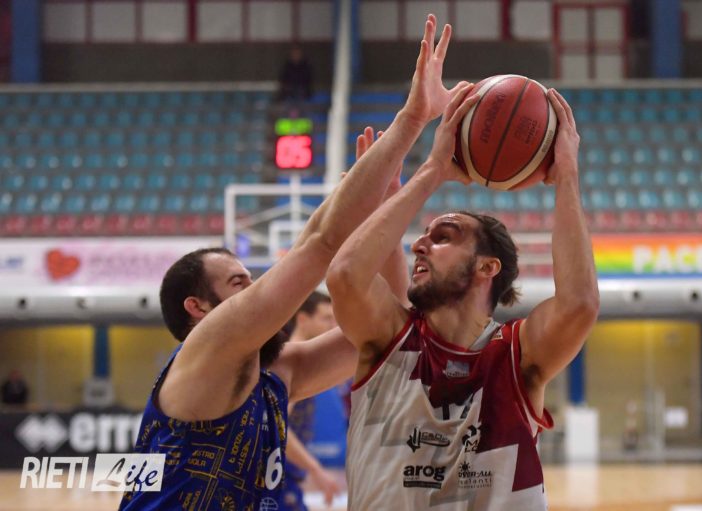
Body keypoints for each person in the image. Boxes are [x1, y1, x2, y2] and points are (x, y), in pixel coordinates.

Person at [119, 14, 461, 510]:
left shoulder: (277, 376)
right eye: (239, 284)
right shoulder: (207, 348)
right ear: (198, 308)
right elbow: (319, 244)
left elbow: (390, 331)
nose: (257, 290)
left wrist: (387, 208)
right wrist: (412, 121)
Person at [327, 86, 599, 509]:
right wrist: (432, 170)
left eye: (443, 237)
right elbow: (345, 276)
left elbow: (579, 304)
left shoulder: (516, 354)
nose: (419, 245)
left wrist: (566, 175)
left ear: (487, 267)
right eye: (423, 237)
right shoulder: (391, 340)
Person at [280, 292, 341, 510]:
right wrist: (316, 469)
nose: (333, 326)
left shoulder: (307, 360)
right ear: (303, 319)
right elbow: (278, 426)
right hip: (277, 475)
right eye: (326, 318)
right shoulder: (289, 361)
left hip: (288, 474)